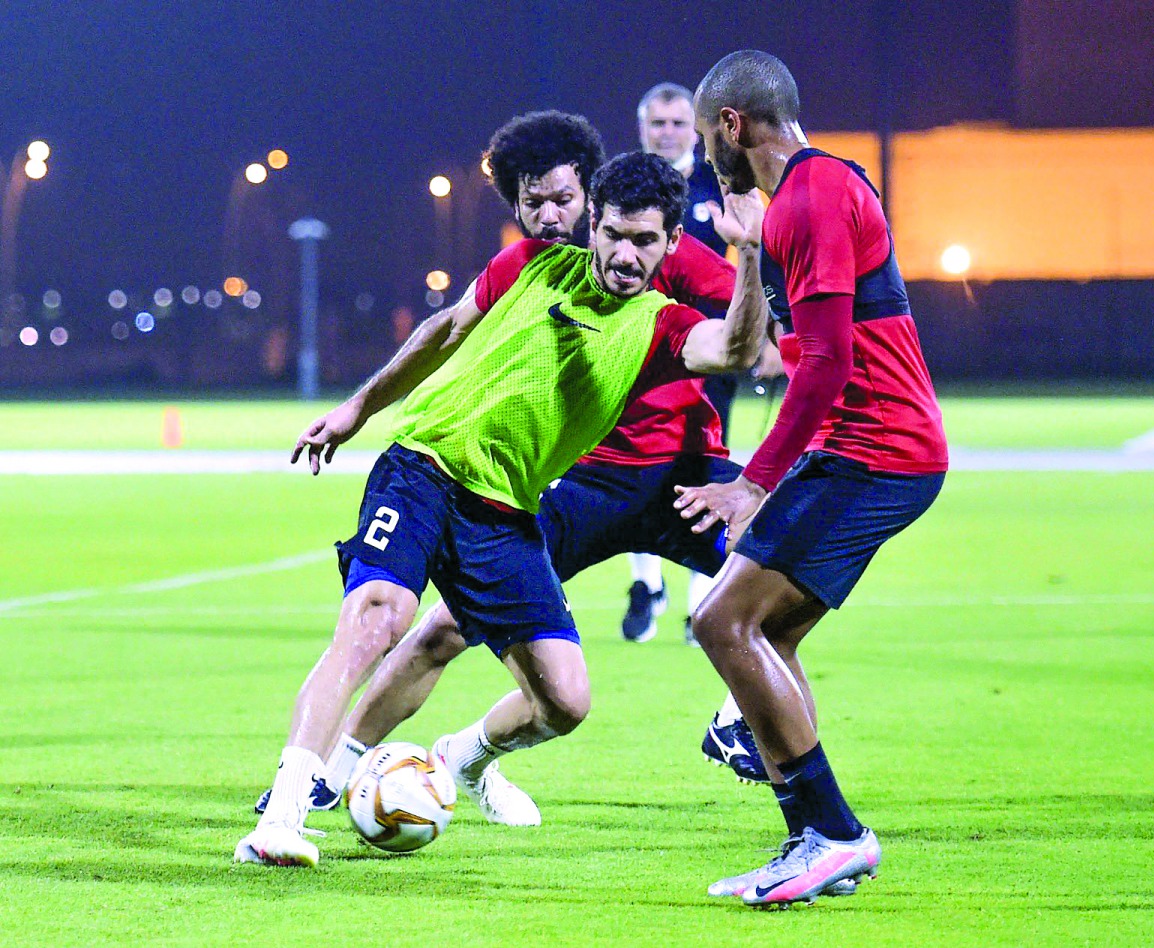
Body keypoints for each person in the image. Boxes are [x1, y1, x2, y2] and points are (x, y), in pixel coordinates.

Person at [233, 148, 768, 867]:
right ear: (594, 227)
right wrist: (358, 408)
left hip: (503, 513)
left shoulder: (660, 327)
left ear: (670, 245)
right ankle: (288, 811)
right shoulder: (533, 266)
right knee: (379, 619)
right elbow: (444, 331)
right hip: (423, 466)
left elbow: (737, 347)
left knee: (566, 701)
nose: (626, 253)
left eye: (645, 241)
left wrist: (754, 251)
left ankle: (464, 756)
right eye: (613, 233)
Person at [677, 50, 949, 907]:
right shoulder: (811, 191)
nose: (702, 155)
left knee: (722, 620)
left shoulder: (813, 194)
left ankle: (831, 833)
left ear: (731, 126)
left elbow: (832, 363)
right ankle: (813, 833)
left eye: (702, 135)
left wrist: (753, 480)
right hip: (868, 447)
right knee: (765, 634)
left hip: (875, 451)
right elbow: (833, 340)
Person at [623, 82, 739, 646]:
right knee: (635, 465)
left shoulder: (719, 181)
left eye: (676, 123)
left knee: (704, 471)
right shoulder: (624, 185)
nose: (667, 132)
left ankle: (699, 601)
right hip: (637, 354)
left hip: (709, 350)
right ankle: (646, 586)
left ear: (691, 127)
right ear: (641, 127)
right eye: (656, 124)